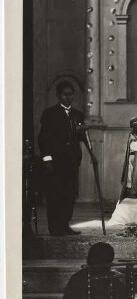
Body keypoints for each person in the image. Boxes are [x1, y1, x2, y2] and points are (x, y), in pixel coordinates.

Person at [38, 81, 87, 236]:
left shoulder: (78, 114)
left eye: (71, 94)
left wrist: (81, 131)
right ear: (58, 95)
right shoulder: (50, 113)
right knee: (55, 195)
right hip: (55, 162)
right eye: (65, 94)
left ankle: (64, 224)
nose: (68, 97)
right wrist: (47, 160)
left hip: (71, 162)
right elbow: (43, 139)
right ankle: (55, 227)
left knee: (69, 195)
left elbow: (78, 138)